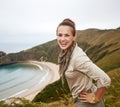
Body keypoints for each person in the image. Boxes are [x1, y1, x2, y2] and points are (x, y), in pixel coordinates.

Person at [56, 18, 111, 107]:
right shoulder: (67, 53)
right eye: (60, 35)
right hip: (82, 99)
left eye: (67, 35)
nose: (62, 39)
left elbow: (105, 79)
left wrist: (96, 98)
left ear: (74, 37)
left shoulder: (77, 58)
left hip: (87, 102)